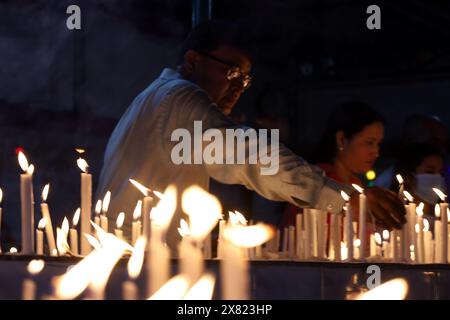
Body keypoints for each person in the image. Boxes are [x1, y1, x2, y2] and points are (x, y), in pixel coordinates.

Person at [96, 21, 405, 253]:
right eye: (231, 72)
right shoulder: (180, 98)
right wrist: (346, 197)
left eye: (245, 79)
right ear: (192, 61)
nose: (239, 87)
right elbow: (249, 156)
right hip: (141, 266)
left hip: (135, 260)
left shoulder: (156, 98)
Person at [282, 101, 395, 231]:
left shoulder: (355, 184)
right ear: (341, 139)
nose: (376, 152)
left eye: (378, 144)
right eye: (369, 142)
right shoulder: (316, 181)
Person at [393, 143, 446, 216]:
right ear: (408, 176)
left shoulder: (444, 220)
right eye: (430, 172)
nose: (438, 178)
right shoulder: (391, 217)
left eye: (441, 173)